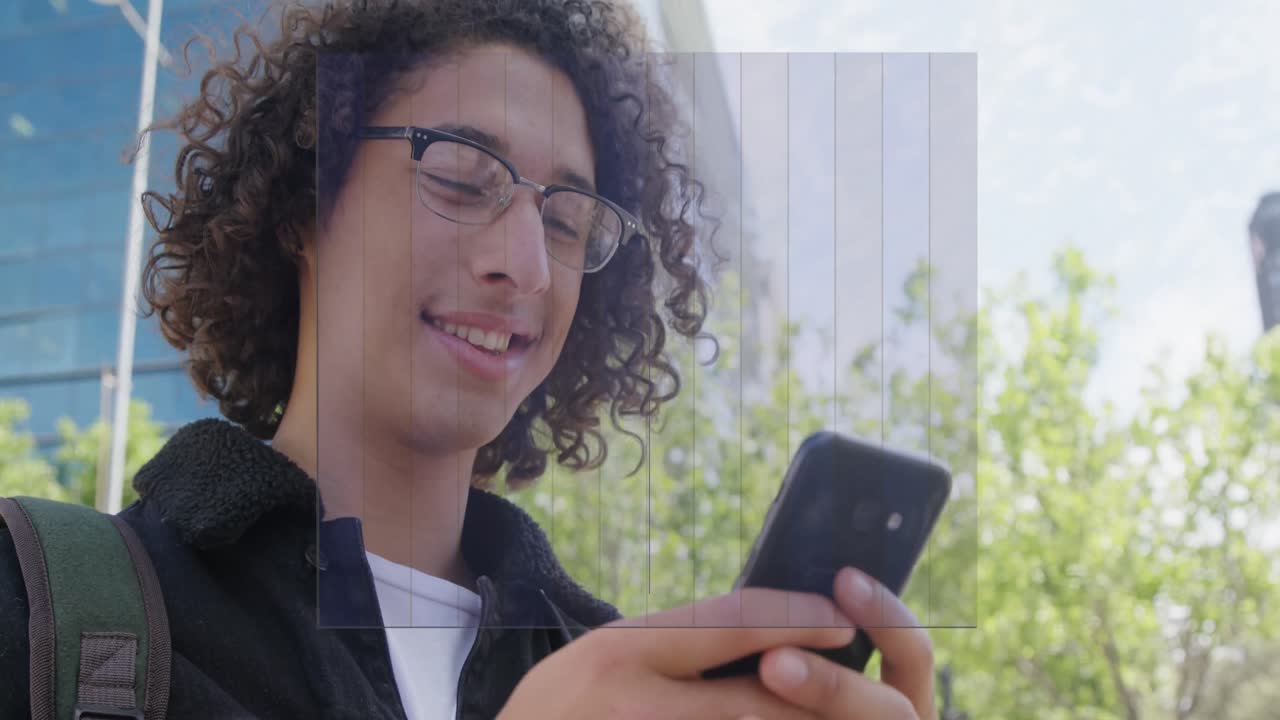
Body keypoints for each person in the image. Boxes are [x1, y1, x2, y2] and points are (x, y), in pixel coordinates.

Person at [0, 0, 938, 717]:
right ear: (302, 204)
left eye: (566, 220)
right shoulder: (38, 607)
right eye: (459, 176)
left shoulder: (636, 680)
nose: (525, 264)